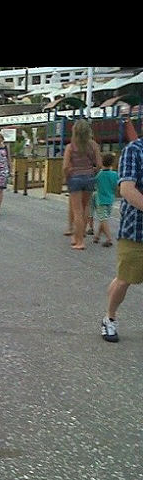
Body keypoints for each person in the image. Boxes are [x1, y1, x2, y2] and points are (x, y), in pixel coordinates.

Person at [101, 135, 143, 343]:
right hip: (136, 228)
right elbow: (127, 189)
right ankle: (109, 317)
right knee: (125, 278)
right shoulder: (134, 150)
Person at [63, 118, 101, 251]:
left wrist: (67, 177)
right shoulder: (93, 145)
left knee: (77, 210)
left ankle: (79, 241)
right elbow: (99, 164)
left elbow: (65, 166)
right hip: (89, 177)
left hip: (75, 178)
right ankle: (80, 235)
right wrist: (92, 171)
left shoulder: (70, 147)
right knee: (85, 208)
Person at [92, 152, 118, 246]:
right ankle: (97, 236)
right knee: (104, 219)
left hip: (101, 200)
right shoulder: (115, 174)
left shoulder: (99, 175)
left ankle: (109, 238)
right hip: (110, 199)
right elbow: (116, 187)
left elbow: (93, 184)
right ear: (112, 163)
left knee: (103, 219)